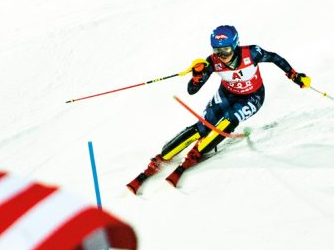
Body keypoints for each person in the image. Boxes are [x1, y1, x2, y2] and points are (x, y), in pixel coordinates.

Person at [129, 25, 310, 191]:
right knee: (202, 127)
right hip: (226, 94)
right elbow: (192, 91)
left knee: (229, 120)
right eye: (217, 50)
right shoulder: (213, 61)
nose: (222, 55)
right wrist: (197, 76)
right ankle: (162, 157)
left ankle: (196, 153)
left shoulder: (252, 53)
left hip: (252, 96)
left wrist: (293, 75)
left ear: (235, 45)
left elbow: (274, 58)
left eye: (225, 50)